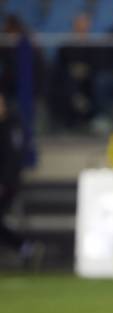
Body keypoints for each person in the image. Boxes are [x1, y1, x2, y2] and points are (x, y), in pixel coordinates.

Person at [0, 92, 43, 267]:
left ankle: (27, 247)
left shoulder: (10, 127)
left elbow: (12, 159)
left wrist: (3, 182)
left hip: (6, 183)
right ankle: (27, 248)